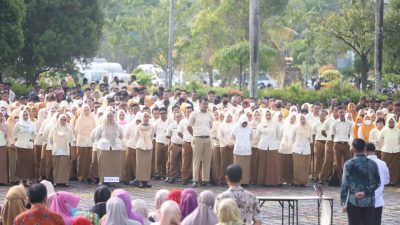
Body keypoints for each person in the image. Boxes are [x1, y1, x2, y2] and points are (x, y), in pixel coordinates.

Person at [340, 138, 380, 225]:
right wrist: (365, 192)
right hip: (369, 201)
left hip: (353, 201)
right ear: (365, 148)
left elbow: (344, 185)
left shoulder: (349, 164)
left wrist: (343, 203)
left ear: (353, 149)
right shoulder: (372, 164)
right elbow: (377, 183)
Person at [187, 97, 213, 187]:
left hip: (207, 139)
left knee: (207, 160)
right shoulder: (194, 114)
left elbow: (210, 126)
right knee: (196, 160)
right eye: (203, 103)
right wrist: (194, 135)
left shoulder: (210, 114)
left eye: (206, 104)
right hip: (197, 138)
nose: (205, 105)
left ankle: (205, 180)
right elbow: (189, 127)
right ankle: (195, 180)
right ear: (199, 104)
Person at [95, 110, 124, 184]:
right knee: (104, 165)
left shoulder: (118, 126)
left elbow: (121, 136)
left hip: (115, 148)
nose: (110, 118)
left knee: (114, 166)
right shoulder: (101, 127)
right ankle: (102, 180)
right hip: (104, 148)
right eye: (108, 116)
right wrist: (105, 141)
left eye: (111, 116)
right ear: (105, 117)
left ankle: (112, 181)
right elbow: (97, 137)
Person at [365, 142, 389, 225]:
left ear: (365, 151)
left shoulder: (363, 163)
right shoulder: (383, 163)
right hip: (378, 201)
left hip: (364, 201)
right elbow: (387, 181)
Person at [256, 109, 281, 186]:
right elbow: (257, 136)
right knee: (262, 164)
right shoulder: (260, 124)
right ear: (264, 115)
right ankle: (262, 181)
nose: (268, 116)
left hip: (273, 146)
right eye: (267, 115)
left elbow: (278, 136)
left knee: (272, 164)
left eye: (269, 115)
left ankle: (273, 181)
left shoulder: (276, 124)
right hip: (263, 146)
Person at [13, 109, 37, 185]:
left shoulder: (32, 124)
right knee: (20, 163)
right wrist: (18, 139)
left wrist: (31, 139)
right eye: (23, 115)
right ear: (21, 116)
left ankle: (27, 180)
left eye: (26, 115)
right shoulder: (18, 124)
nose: (25, 116)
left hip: (29, 146)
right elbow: (14, 133)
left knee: (29, 163)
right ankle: (20, 180)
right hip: (20, 146)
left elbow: (34, 133)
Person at [74, 104, 96, 183]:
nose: (86, 112)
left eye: (88, 110)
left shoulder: (92, 119)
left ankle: (88, 176)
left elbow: (94, 129)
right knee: (81, 160)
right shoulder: (79, 119)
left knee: (89, 160)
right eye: (85, 110)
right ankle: (81, 176)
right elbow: (77, 130)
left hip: (90, 141)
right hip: (81, 141)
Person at [50, 114, 73, 185]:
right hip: (56, 150)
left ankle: (65, 181)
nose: (63, 121)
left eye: (64, 120)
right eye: (61, 119)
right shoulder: (54, 128)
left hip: (65, 150)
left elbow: (70, 139)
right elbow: (51, 139)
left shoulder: (68, 129)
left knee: (64, 166)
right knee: (56, 166)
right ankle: (56, 181)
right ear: (58, 120)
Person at [378, 114, 400, 186]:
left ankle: (393, 181)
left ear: (394, 122)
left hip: (396, 151)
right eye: (390, 122)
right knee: (385, 167)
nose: (391, 123)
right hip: (386, 151)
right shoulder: (384, 130)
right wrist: (384, 146)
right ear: (387, 122)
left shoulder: (398, 130)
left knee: (395, 168)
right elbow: (379, 140)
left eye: (392, 122)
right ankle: (385, 181)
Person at [331, 107, 353, 181]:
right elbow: (332, 134)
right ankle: (340, 180)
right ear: (338, 113)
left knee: (348, 161)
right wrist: (336, 141)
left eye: (343, 112)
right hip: (337, 144)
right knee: (338, 162)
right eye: (340, 112)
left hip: (346, 144)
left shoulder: (349, 123)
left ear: (345, 112)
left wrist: (347, 141)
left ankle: (348, 178)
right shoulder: (334, 123)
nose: (341, 114)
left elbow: (350, 134)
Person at [134, 112, 155, 188]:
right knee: (140, 164)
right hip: (140, 146)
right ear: (142, 118)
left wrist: (148, 143)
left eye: (147, 117)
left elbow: (152, 136)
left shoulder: (152, 126)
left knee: (147, 164)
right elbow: (136, 137)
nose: (146, 118)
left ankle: (146, 181)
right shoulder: (138, 126)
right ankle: (139, 181)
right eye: (145, 117)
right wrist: (139, 144)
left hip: (148, 146)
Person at [292, 114, 312, 186]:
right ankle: (296, 181)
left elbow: (310, 139)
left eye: (303, 119)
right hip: (297, 149)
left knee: (305, 166)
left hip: (306, 149)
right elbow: (293, 137)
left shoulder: (309, 127)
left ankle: (304, 181)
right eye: (301, 119)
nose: (302, 120)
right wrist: (296, 144)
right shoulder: (296, 127)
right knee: (297, 166)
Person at [232, 114, 252, 185]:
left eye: (246, 123)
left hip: (247, 151)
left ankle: (245, 182)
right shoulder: (236, 127)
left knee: (246, 168)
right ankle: (237, 182)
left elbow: (251, 137)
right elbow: (233, 136)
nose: (244, 124)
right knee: (237, 168)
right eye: (243, 123)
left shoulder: (249, 128)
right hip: (238, 150)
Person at [177, 106, 193, 185]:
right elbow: (179, 132)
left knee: (195, 161)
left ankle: (193, 177)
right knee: (185, 161)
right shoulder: (183, 121)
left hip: (195, 143)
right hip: (186, 143)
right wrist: (185, 138)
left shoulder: (195, 121)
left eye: (190, 111)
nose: (188, 113)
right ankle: (184, 178)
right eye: (187, 112)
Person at [218, 112, 235, 185]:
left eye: (230, 116)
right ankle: (222, 180)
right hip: (224, 146)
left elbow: (236, 136)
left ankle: (231, 180)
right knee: (224, 163)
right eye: (228, 116)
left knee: (232, 163)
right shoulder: (221, 125)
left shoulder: (235, 125)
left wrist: (232, 144)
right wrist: (226, 144)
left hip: (233, 146)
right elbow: (220, 136)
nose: (229, 118)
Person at [0, 112, 8, 185]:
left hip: (2, 146)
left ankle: (2, 180)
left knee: (2, 164)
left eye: (1, 116)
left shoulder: (5, 125)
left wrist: (2, 126)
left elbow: (6, 135)